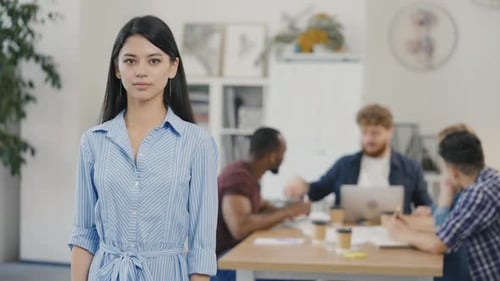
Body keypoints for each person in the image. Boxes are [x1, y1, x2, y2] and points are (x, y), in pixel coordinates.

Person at [68, 15, 218, 281]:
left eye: (154, 60)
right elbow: (83, 233)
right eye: (130, 60)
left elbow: (202, 245)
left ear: (173, 67)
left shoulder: (197, 143)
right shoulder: (93, 141)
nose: (141, 71)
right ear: (117, 69)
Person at [388, 131, 500, 281]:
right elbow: (447, 229)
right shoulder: (490, 177)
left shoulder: (479, 194)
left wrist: (402, 233)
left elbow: (439, 244)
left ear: (453, 172)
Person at [284, 104, 432, 214]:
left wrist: (425, 211)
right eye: (364, 132)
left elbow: (425, 204)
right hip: (349, 234)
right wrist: (302, 185)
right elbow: (317, 191)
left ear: (389, 132)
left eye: (375, 133)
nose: (368, 139)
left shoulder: (410, 167)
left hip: (394, 234)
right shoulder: (345, 164)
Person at [212, 127, 310, 281]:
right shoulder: (238, 177)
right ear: (272, 156)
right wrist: (287, 212)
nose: (283, 158)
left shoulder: (248, 175)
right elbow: (240, 227)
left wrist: (290, 210)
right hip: (222, 263)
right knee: (298, 276)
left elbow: (262, 205)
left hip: (236, 252)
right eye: (282, 153)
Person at [413, 124, 474, 281]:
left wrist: (444, 203)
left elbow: (444, 239)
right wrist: (432, 210)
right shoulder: (458, 187)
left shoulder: (472, 194)